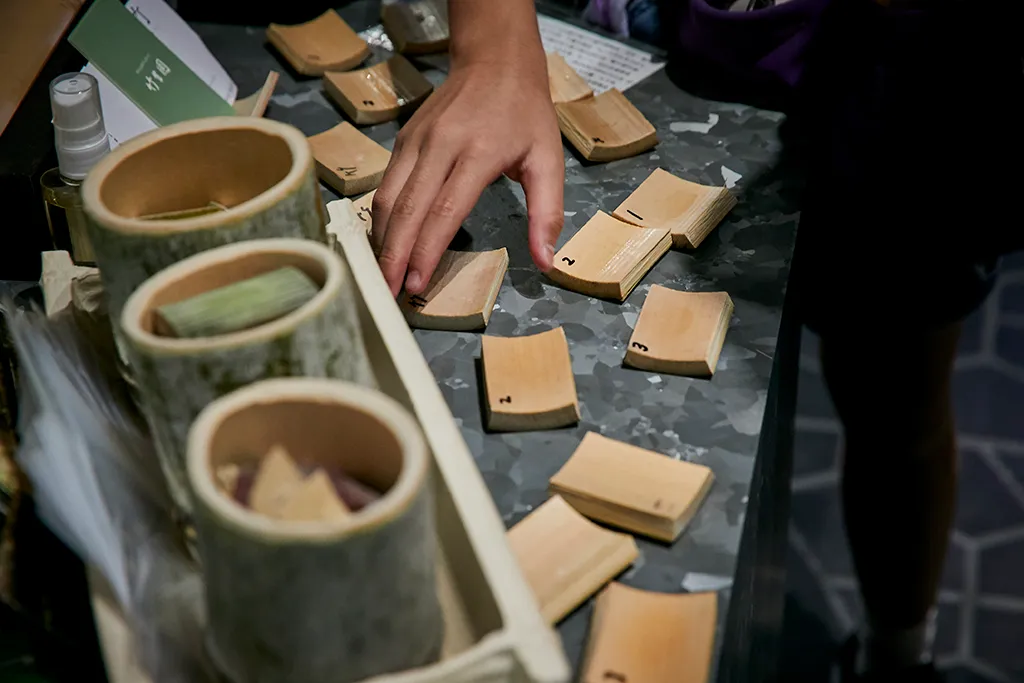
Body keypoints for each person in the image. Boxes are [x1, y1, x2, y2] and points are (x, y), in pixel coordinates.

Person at [369, 1, 1024, 681]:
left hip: (930, 83)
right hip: (708, 35)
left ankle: (900, 652)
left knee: (896, 397)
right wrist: (497, 48)